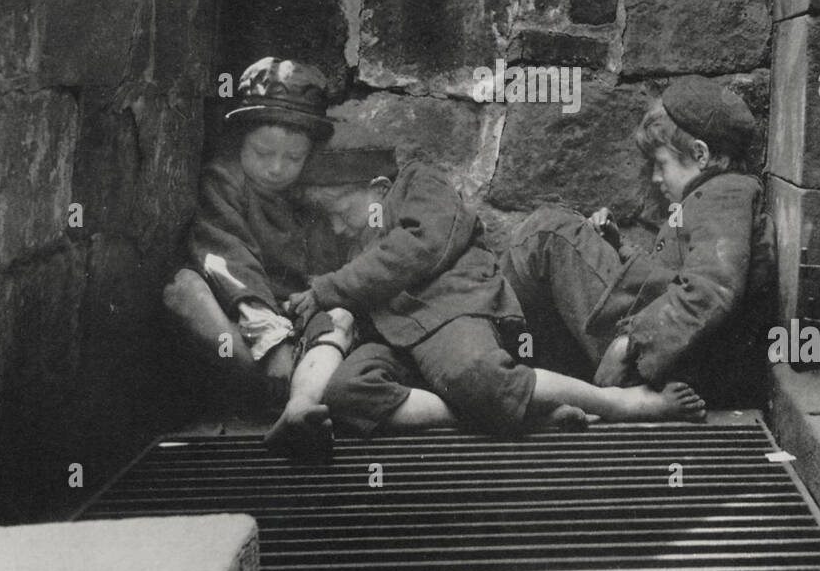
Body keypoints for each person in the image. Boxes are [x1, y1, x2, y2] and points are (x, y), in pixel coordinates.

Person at [284, 127, 706, 445]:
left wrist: (330, 289)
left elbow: (422, 245)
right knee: (347, 396)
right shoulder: (346, 239)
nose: (337, 226)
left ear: (378, 188)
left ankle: (619, 403)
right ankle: (526, 413)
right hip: (396, 337)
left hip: (447, 308)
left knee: (477, 376)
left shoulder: (418, 183)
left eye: (342, 210)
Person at [500, 76, 775, 409]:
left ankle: (492, 370)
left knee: (548, 234)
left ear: (700, 154)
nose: (656, 179)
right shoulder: (716, 195)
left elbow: (711, 291)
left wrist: (630, 343)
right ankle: (513, 373)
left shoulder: (725, 195)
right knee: (556, 233)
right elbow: (674, 275)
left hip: (663, 362)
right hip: (669, 355)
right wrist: (619, 248)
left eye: (661, 164)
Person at [161, 57, 346, 458]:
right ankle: (273, 394)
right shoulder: (225, 181)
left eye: (293, 158)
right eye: (262, 153)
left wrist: (306, 325)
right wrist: (270, 339)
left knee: (341, 320)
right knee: (183, 289)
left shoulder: (307, 202)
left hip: (294, 331)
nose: (276, 168)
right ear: (240, 141)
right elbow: (227, 257)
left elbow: (322, 281)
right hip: (244, 326)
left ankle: (299, 401)